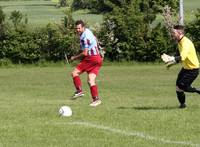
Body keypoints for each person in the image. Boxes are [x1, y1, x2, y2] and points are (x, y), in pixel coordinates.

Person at [161, 25, 200, 108]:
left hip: (193, 69)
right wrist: (171, 63)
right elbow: (178, 55)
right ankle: (182, 105)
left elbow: (182, 57)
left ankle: (198, 90)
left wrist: (170, 58)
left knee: (183, 86)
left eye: (174, 32)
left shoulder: (186, 43)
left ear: (180, 33)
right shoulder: (180, 42)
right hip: (185, 68)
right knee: (178, 87)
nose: (172, 34)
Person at [70, 20, 103, 107]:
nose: (77, 30)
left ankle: (79, 91)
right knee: (90, 80)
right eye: (76, 28)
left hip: (91, 58)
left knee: (74, 73)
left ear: (83, 27)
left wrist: (74, 57)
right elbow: (95, 38)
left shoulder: (85, 37)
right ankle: (96, 99)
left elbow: (85, 53)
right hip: (98, 59)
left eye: (79, 28)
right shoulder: (88, 31)